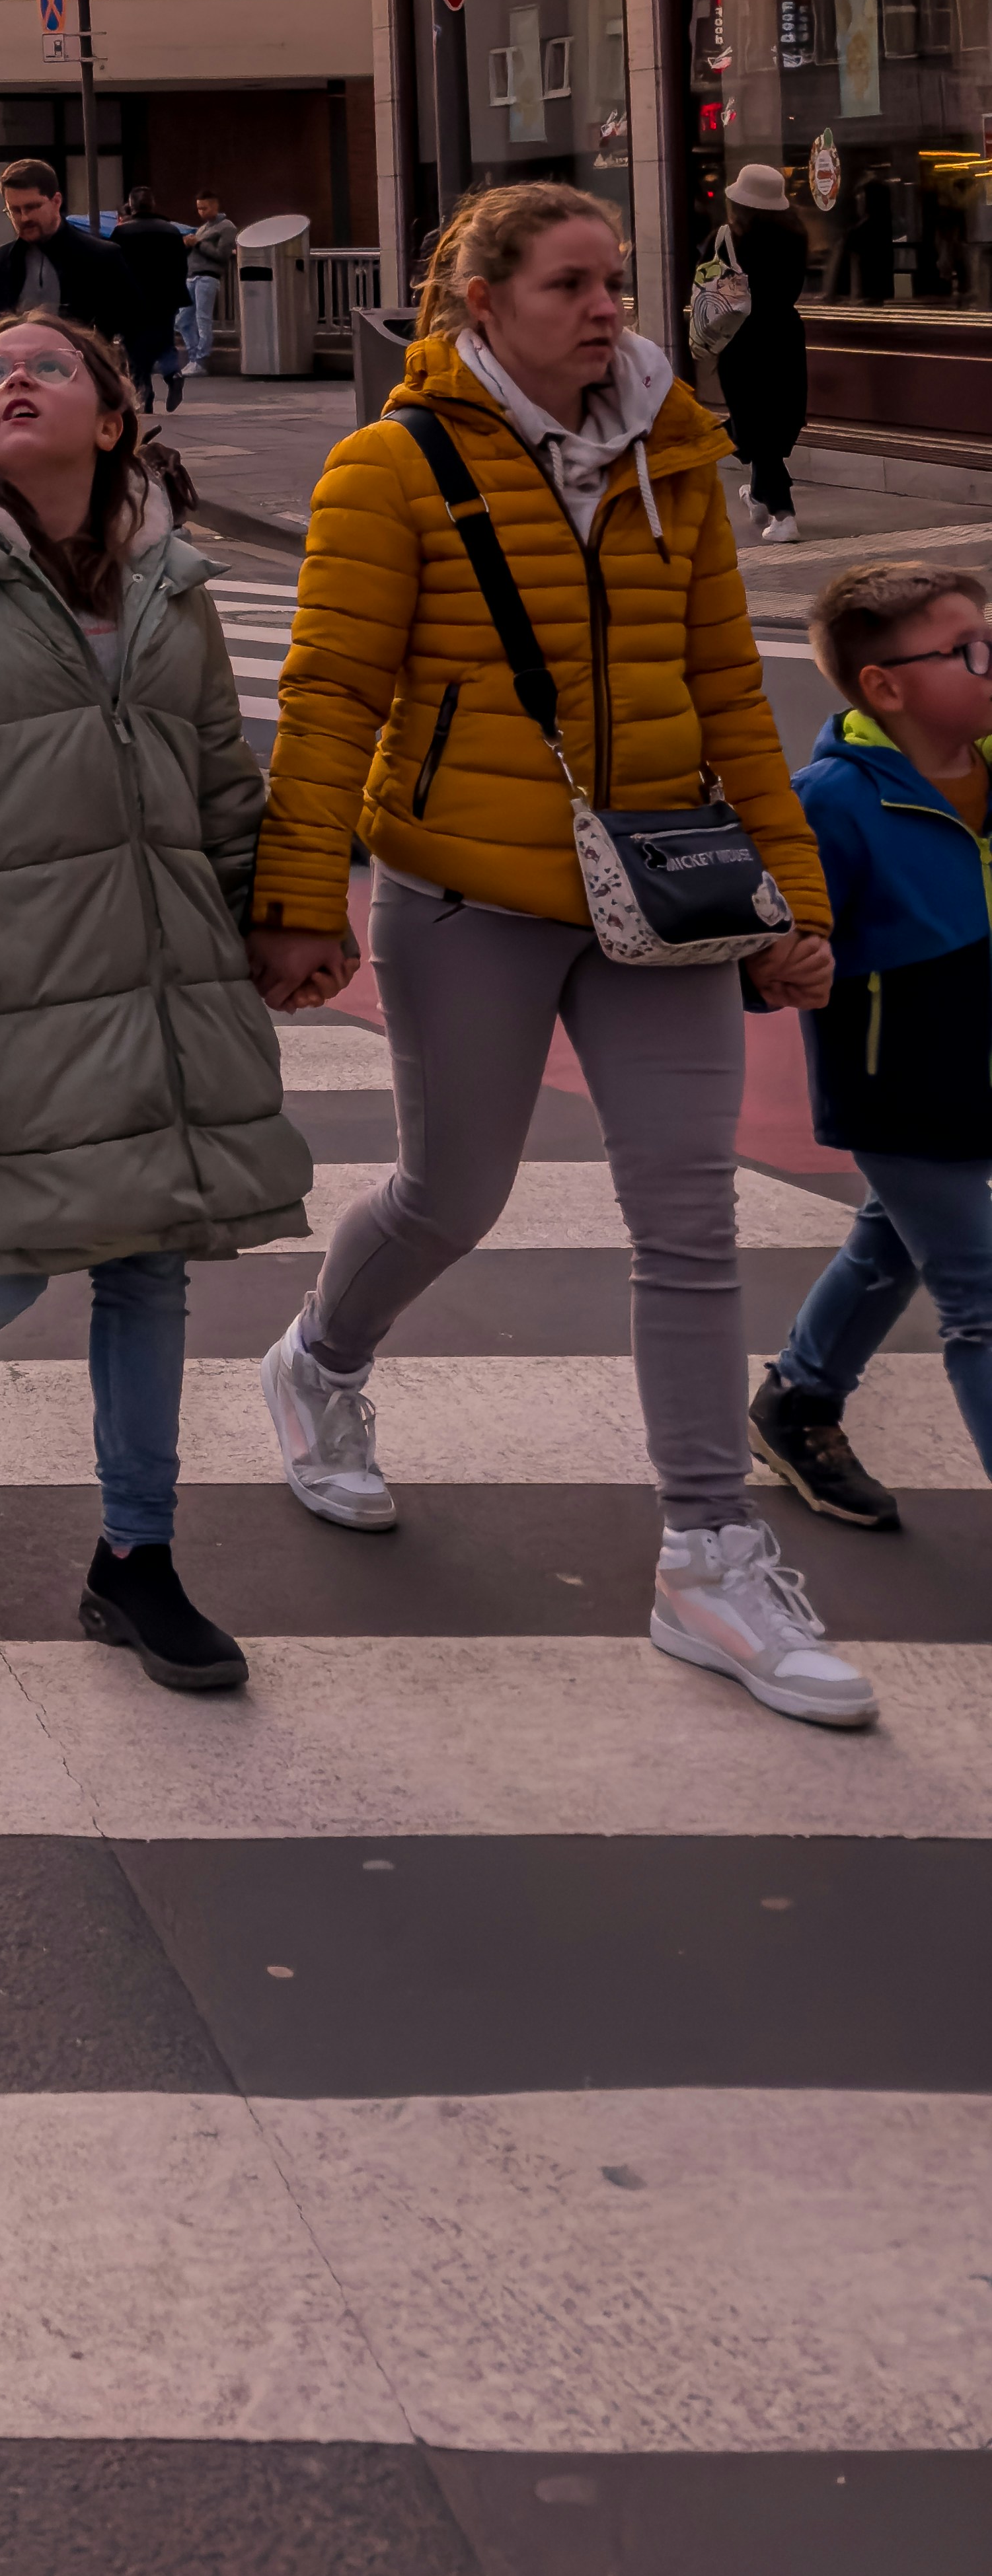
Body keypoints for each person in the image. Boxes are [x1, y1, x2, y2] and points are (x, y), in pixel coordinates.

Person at [250, 180, 856, 1724]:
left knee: (690, 1218)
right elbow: (327, 700)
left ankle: (710, 1557)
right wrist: (300, 903)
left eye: (618, 285)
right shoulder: (392, 469)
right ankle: (320, 1362)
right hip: (469, 894)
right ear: (484, 303)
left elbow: (732, 693)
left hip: (660, 894)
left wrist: (797, 902)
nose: (609, 309)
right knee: (453, 1195)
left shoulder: (678, 457)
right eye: (574, 285)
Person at [0, 314, 321, 1694]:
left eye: (49, 363)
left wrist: (276, 921)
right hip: (2, 988)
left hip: (158, 981)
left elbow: (219, 777)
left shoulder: (174, 590)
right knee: (5, 1268)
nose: (12, 376)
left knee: (149, 1265)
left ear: (112, 416)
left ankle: (134, 1562)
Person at [746, 557, 992, 1527]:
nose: (990, 663)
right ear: (886, 687)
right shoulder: (831, 803)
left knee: (891, 1243)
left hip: (982, 1071)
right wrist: (779, 965)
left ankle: (800, 1399)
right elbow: (770, 955)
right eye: (968, 651)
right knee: (980, 1295)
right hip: (900, 1088)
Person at [711, 159, 810, 545]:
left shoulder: (726, 239)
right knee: (776, 419)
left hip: (742, 337)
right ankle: (756, 495)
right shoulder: (798, 236)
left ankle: (784, 515)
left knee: (753, 423)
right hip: (784, 334)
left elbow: (705, 288)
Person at [0, 158, 114, 333]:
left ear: (56, 201)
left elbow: (136, 329)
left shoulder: (101, 257)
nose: (24, 218)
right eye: (15, 211)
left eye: (32, 207)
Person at [106, 188, 194, 416]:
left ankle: (144, 393)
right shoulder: (171, 231)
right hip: (165, 299)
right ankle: (173, 373)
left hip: (133, 299)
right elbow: (180, 266)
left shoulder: (122, 232)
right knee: (164, 341)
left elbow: (115, 268)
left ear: (131, 205)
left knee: (135, 347)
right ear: (152, 205)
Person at [183, 196, 239, 388]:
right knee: (182, 320)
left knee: (202, 319)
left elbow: (221, 255)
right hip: (192, 276)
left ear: (215, 206)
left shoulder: (227, 227)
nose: (201, 212)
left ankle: (200, 360)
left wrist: (197, 243)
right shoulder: (203, 228)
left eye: (205, 208)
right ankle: (194, 357)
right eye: (199, 208)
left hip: (207, 277)